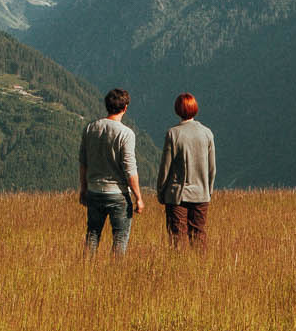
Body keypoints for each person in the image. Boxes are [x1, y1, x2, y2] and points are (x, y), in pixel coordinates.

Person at [78, 87, 142, 256]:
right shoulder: (126, 134)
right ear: (125, 107)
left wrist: (83, 188)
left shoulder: (90, 128)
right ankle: (115, 275)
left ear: (107, 105)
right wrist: (138, 197)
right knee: (120, 238)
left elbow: (83, 162)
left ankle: (85, 270)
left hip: (94, 190)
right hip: (118, 194)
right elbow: (130, 169)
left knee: (92, 235)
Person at [155, 91, 216, 249]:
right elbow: (212, 168)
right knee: (199, 237)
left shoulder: (173, 133)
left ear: (177, 110)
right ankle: (201, 270)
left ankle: (178, 271)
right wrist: (207, 192)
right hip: (201, 195)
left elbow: (165, 167)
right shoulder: (207, 133)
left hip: (177, 195)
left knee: (178, 239)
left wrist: (161, 192)